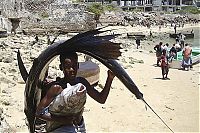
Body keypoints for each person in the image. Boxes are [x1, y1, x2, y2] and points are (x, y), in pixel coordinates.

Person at [35, 52, 115, 132]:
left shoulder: (82, 83)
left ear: (78, 66)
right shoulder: (57, 88)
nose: (72, 70)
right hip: (58, 128)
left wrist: (110, 78)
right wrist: (62, 120)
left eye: (74, 66)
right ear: (61, 67)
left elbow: (101, 99)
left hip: (79, 127)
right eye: (67, 67)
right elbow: (39, 113)